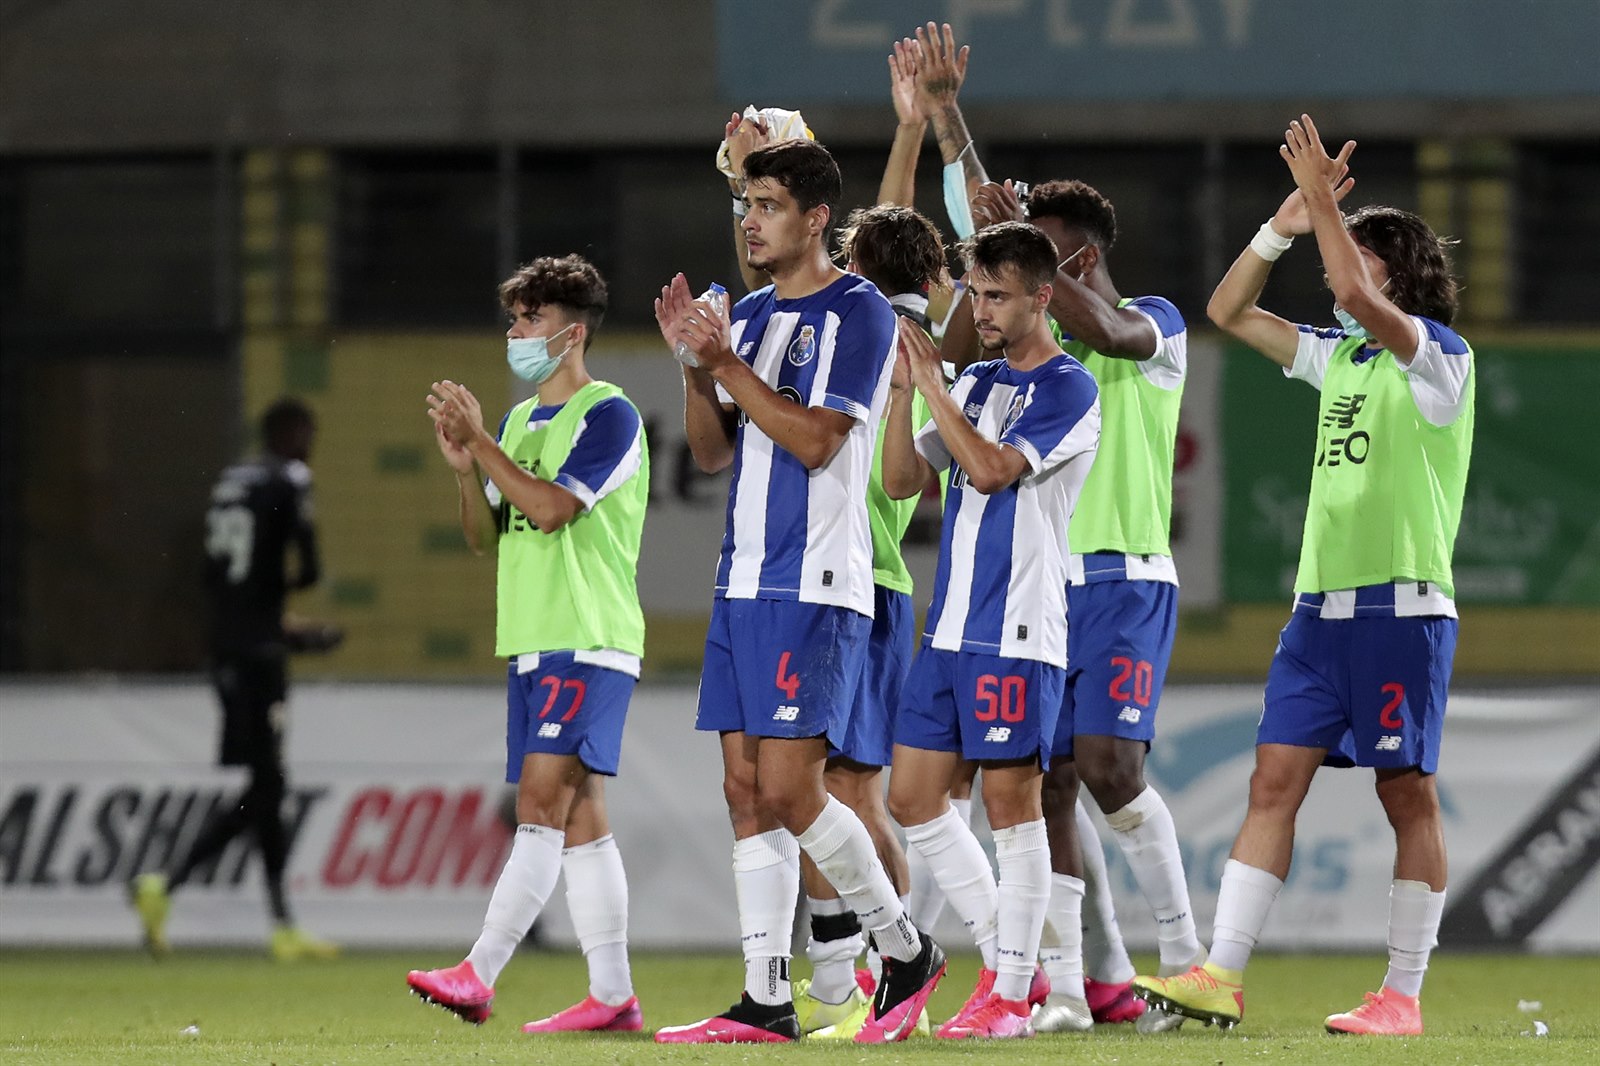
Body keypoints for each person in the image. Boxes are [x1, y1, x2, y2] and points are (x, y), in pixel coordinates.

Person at [1133, 115, 1471, 1038]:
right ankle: (1220, 977)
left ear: (1391, 272)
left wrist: (1327, 202)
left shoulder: (1438, 360)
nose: (1333, 268)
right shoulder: (1341, 357)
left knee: (1407, 795)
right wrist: (1282, 225)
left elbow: (1359, 302)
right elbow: (1229, 312)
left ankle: (1401, 993)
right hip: (1317, 615)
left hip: (1402, 611)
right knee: (1271, 782)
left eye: (1349, 253)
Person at [920, 20, 1201, 1033]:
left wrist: (1030, 254)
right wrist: (949, 123)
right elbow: (992, 247)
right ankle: (1073, 993)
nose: (1008, 285)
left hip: (1124, 577)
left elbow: (1098, 323)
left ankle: (1188, 965)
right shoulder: (1021, 347)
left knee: (1112, 769)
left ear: (1072, 260)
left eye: (1035, 255)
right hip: (1043, 587)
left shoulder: (1153, 328)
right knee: (1040, 784)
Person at [653, 138, 944, 1046]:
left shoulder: (858, 311)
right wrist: (696, 368)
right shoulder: (751, 314)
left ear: (817, 218)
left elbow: (819, 441)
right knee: (745, 790)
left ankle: (904, 949)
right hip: (743, 577)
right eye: (746, 203)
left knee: (790, 788)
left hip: (815, 578)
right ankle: (764, 997)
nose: (749, 219)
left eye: (769, 203)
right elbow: (712, 452)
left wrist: (729, 363)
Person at [406, 254, 650, 1034]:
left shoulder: (609, 414)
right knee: (581, 819)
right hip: (534, 638)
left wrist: (483, 444)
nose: (516, 333)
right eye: (513, 318)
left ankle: (479, 972)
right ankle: (612, 996)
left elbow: (548, 510)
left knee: (539, 805)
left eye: (530, 319)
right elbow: (486, 534)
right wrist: (463, 465)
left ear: (571, 332)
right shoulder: (513, 426)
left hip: (587, 635)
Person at [883, 221, 1101, 1041]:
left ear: (1042, 297)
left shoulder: (1069, 388)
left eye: (998, 296)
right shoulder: (972, 382)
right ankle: (1014, 962)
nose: (983, 309)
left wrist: (938, 385)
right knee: (912, 797)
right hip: (949, 629)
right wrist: (910, 390)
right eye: (976, 293)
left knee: (1014, 807)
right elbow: (905, 478)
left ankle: (1011, 991)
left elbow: (991, 469)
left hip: (1017, 626)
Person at [129, 398, 342, 961]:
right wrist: (285, 626)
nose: (310, 446)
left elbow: (220, 578)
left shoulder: (230, 481)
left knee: (266, 786)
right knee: (267, 785)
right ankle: (170, 886)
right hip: (257, 657)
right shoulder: (290, 478)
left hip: (225, 649)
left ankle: (277, 922)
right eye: (309, 433)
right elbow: (310, 568)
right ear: (292, 433)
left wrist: (279, 626)